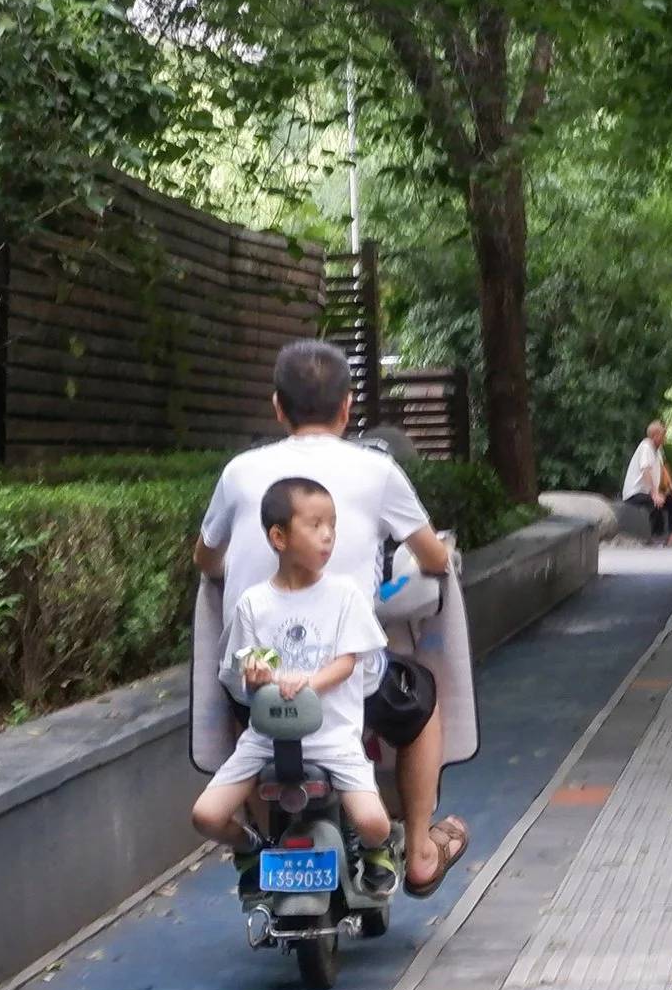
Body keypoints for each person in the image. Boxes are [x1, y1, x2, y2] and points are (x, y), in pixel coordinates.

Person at [195, 340, 469, 898]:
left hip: (261, 686)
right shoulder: (377, 470)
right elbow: (434, 558)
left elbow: (205, 559)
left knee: (242, 710)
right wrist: (441, 553)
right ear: (347, 408)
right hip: (344, 686)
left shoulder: (240, 472)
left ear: (278, 407)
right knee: (420, 697)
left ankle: (259, 845)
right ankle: (417, 851)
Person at [192, 477, 401, 895]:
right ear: (279, 536)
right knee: (207, 816)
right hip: (266, 739)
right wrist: (254, 677)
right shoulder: (253, 603)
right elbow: (243, 671)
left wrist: (307, 681)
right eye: (316, 525)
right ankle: (253, 851)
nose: (328, 536)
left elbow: (348, 661)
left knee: (375, 823)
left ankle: (375, 853)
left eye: (333, 526)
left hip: (333, 739)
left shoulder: (343, 595)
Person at [622, 420, 672, 544]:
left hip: (649, 491)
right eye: (663, 434)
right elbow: (646, 470)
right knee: (656, 503)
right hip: (636, 492)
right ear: (654, 436)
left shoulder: (658, 449)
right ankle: (658, 536)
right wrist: (654, 493)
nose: (665, 437)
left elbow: (663, 469)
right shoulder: (646, 447)